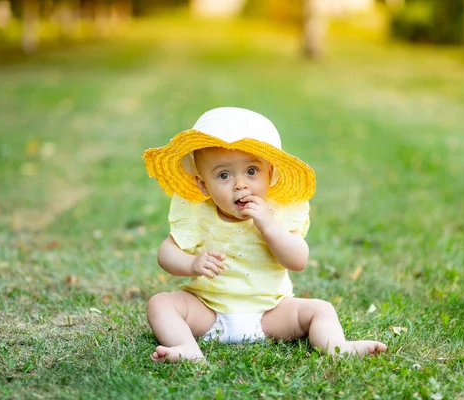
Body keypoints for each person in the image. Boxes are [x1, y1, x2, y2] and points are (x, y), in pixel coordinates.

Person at [143, 107, 387, 362]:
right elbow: (166, 252)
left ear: (270, 174)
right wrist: (191, 263)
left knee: (320, 309)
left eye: (251, 171)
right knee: (160, 303)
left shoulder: (279, 214)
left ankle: (337, 346)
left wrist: (269, 225)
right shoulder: (199, 214)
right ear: (203, 184)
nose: (240, 184)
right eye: (223, 175)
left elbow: (298, 260)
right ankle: (187, 347)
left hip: (269, 313)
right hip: (208, 311)